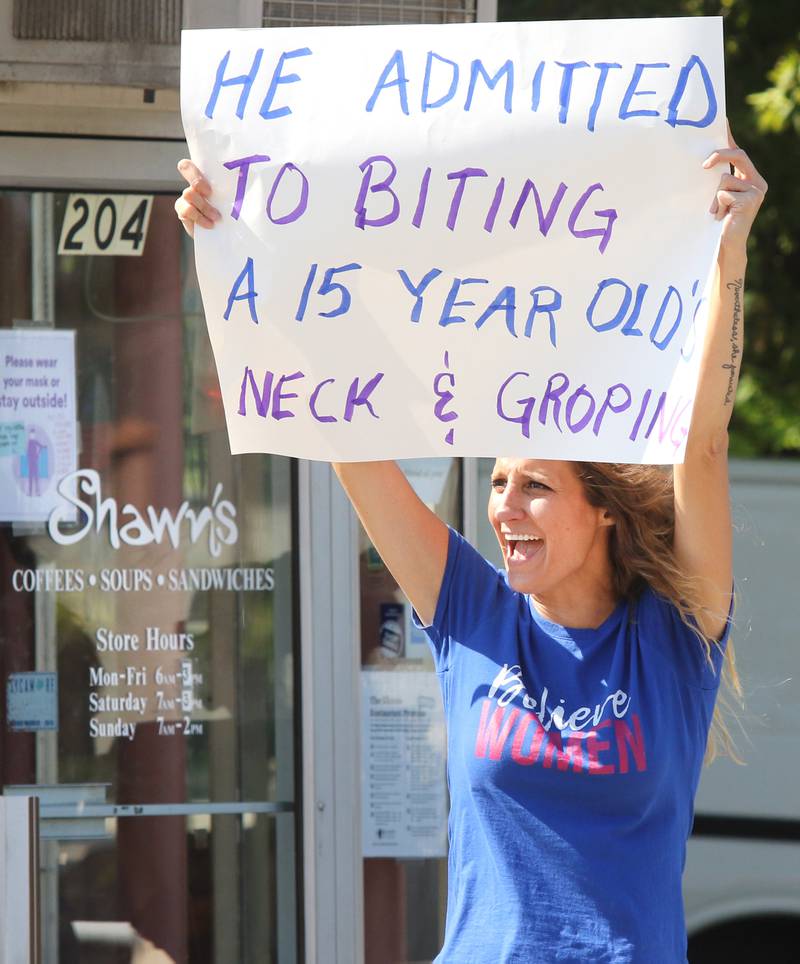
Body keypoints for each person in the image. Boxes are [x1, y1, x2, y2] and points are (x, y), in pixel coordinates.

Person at [175, 132, 766, 962]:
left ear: (603, 511)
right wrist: (234, 241)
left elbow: (701, 442)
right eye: (496, 483)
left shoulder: (672, 639)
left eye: (535, 486)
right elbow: (343, 435)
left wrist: (728, 254)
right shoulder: (475, 612)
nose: (505, 509)